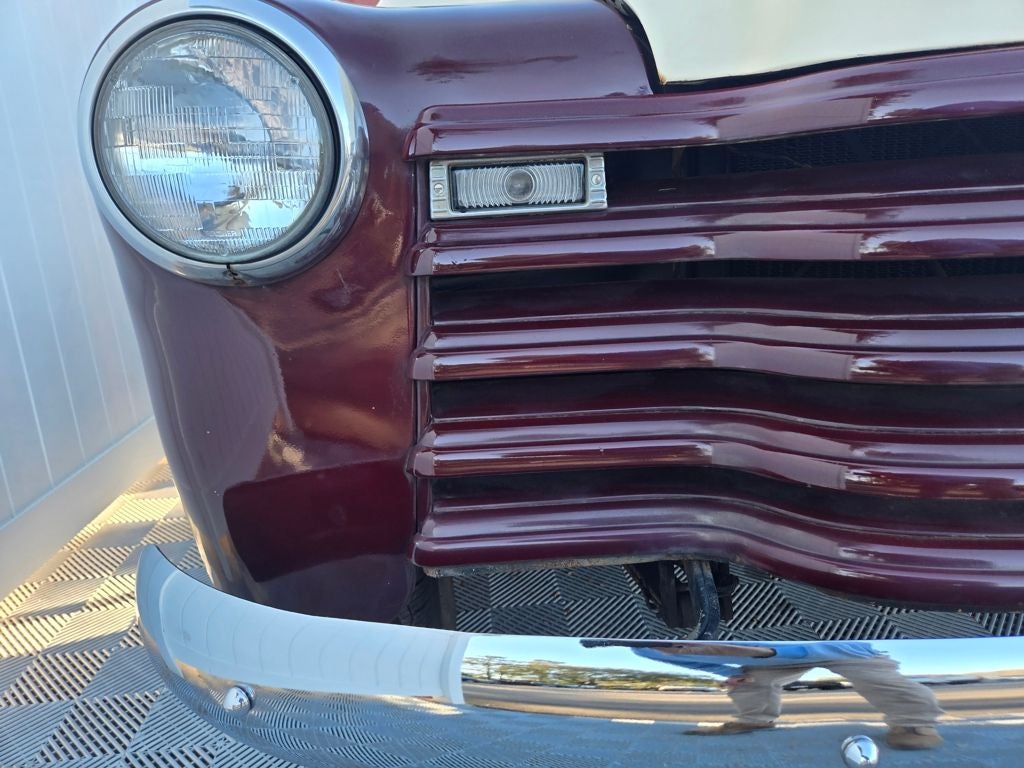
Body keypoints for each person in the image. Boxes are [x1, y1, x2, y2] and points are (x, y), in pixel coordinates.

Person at [632, 641, 944, 750]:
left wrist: (753, 651)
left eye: (674, 645)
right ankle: (754, 720)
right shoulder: (642, 647)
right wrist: (728, 673)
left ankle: (914, 722)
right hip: (765, 657)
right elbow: (700, 660)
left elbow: (808, 647)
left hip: (841, 646)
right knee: (750, 681)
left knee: (880, 679)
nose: (671, 649)